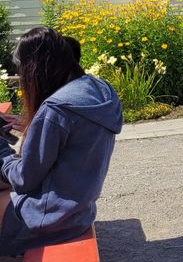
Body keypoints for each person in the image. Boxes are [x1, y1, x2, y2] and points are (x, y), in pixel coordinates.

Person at [0, 27, 122, 255]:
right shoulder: (99, 90)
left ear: (36, 68)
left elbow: (24, 180)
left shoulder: (56, 110)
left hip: (49, 219)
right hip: (77, 212)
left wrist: (2, 153)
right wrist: (35, 125)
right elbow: (77, 137)